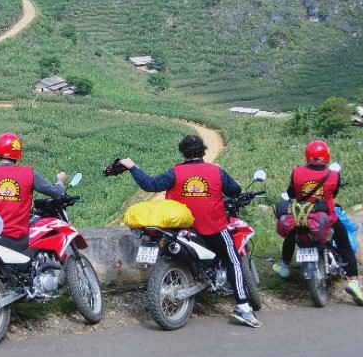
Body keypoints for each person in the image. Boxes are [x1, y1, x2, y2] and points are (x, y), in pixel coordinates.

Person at [108, 134, 260, 328]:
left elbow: (149, 185)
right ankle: (243, 308)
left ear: (182, 152)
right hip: (213, 227)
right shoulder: (216, 171)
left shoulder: (175, 172)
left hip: (182, 228)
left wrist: (132, 167)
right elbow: (235, 191)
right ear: (203, 151)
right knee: (233, 260)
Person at [274, 139, 363, 307]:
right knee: (344, 244)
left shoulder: (297, 172)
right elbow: (334, 193)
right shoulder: (333, 175)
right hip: (327, 218)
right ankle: (354, 282)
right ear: (326, 157)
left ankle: (284, 267)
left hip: (302, 216)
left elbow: (290, 192)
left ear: (308, 156)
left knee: (291, 236)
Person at [0, 132, 67, 254]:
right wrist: (60, 181)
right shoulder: (29, 173)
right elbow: (55, 192)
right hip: (17, 235)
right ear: (18, 152)